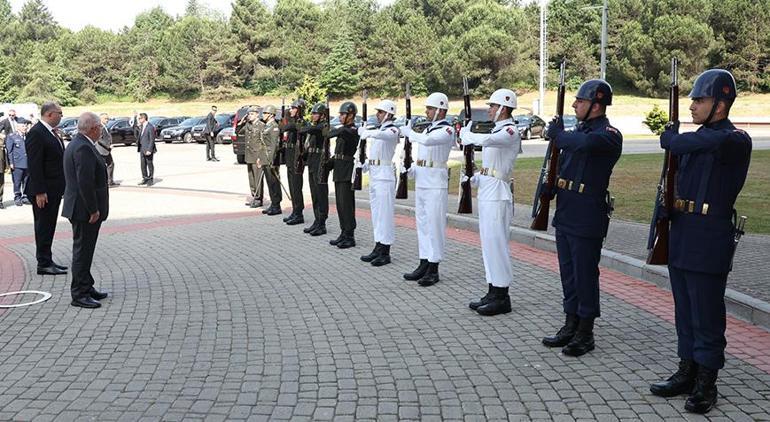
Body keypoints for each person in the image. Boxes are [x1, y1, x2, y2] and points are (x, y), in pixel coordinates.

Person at [649, 69, 751, 415]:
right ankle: (686, 370)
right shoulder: (695, 138)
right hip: (682, 231)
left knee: (706, 313)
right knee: (685, 311)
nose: (692, 106)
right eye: (691, 99)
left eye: (700, 100)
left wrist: (673, 139)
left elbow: (705, 142)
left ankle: (707, 382)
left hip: (709, 235)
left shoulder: (734, 139)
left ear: (721, 105)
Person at [541, 79, 622, 356]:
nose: (575, 104)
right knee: (569, 272)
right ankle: (570, 323)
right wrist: (549, 185)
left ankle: (585, 331)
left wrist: (558, 136)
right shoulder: (577, 131)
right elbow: (564, 161)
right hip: (567, 208)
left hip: (588, 211)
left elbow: (585, 144)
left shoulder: (608, 135)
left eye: (580, 101)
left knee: (585, 273)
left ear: (596, 105)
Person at [459, 89, 521, 315]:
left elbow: (487, 139)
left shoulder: (510, 131)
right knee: (488, 244)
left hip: (498, 194)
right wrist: (475, 177)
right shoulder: (497, 128)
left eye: (493, 107)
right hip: (487, 190)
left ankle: (502, 296)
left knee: (497, 244)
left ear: (503, 108)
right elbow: (490, 165)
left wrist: (467, 134)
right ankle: (493, 289)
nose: (489, 110)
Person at [400, 92, 455, 286]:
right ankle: (424, 261)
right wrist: (410, 169)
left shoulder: (446, 130)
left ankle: (434, 267)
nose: (426, 111)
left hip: (435, 183)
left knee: (434, 226)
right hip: (423, 181)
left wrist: (410, 133)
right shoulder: (427, 129)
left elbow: (428, 142)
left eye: (430, 108)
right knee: (422, 224)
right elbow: (422, 154)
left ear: (441, 110)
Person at [62, 112, 110, 309]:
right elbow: (85, 182)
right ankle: (79, 294)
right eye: (99, 126)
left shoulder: (79, 143)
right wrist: (93, 209)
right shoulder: (83, 147)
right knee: (82, 251)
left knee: (86, 250)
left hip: (81, 207)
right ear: (93, 128)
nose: (100, 130)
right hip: (84, 210)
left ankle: (87, 286)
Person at [25, 101, 68, 275]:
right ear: (50, 114)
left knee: (49, 225)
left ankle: (47, 259)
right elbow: (34, 165)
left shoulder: (50, 132)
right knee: (43, 226)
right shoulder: (37, 133)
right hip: (44, 191)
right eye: (60, 113)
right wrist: (39, 191)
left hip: (53, 189)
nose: (61, 116)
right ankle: (43, 263)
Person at [357, 100, 399, 266]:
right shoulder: (380, 130)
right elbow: (376, 155)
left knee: (385, 216)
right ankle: (378, 246)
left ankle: (385, 251)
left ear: (388, 114)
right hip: (375, 175)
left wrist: (368, 132)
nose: (378, 114)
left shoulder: (392, 129)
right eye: (378, 112)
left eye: (381, 112)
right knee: (376, 215)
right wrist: (365, 164)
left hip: (385, 177)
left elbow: (386, 135)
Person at [325, 102, 360, 249]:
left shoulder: (352, 130)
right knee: (340, 204)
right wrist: (330, 163)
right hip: (339, 169)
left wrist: (328, 131)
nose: (340, 117)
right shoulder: (344, 129)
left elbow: (342, 133)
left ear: (351, 115)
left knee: (347, 204)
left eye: (342, 114)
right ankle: (343, 232)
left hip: (346, 170)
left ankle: (350, 235)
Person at [299, 103, 330, 236]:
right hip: (312, 161)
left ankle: (322, 223)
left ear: (323, 115)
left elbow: (312, 130)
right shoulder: (314, 127)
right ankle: (317, 220)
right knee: (314, 193)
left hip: (320, 162)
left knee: (321, 192)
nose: (313, 115)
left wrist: (300, 127)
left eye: (315, 113)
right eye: (312, 113)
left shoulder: (323, 126)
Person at [280, 100, 306, 225]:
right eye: (290, 108)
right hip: (290, 159)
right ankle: (295, 211)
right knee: (292, 187)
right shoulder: (293, 121)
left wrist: (285, 118)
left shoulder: (300, 123)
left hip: (297, 160)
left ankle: (299, 213)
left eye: (293, 108)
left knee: (296, 187)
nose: (291, 110)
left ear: (300, 110)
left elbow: (285, 127)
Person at [260, 105, 283, 216]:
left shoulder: (274, 127)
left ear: (271, 115)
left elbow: (274, 145)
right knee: (269, 182)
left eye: (265, 113)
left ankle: (276, 205)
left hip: (271, 158)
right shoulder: (266, 126)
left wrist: (271, 160)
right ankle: (273, 204)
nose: (263, 115)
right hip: (265, 157)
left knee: (274, 182)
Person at [241, 107, 265, 208]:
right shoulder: (247, 125)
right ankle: (254, 196)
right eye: (248, 114)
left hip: (257, 156)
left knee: (257, 177)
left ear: (257, 115)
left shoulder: (261, 125)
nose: (249, 116)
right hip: (249, 155)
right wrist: (241, 122)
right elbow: (238, 131)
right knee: (251, 177)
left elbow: (263, 143)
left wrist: (261, 157)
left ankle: (259, 198)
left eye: (251, 114)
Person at [5, 122, 30, 206]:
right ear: (18, 127)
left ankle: (25, 196)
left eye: (25, 126)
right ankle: (17, 197)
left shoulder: (28, 136)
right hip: (17, 163)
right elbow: (9, 151)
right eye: (23, 126)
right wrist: (11, 163)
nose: (25, 127)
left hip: (27, 163)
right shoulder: (12, 137)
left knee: (26, 180)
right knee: (17, 181)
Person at [96, 113, 119, 187]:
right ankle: (103, 182)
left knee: (111, 164)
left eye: (108, 118)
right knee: (102, 167)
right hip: (102, 150)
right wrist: (108, 146)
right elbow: (99, 139)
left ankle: (110, 181)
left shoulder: (105, 127)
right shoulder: (100, 127)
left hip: (107, 150)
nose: (107, 120)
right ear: (101, 119)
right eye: (105, 118)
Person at [137, 113, 156, 186]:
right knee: (143, 164)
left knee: (149, 164)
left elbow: (152, 139)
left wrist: (149, 150)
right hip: (142, 148)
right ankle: (145, 178)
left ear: (143, 118)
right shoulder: (141, 126)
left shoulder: (150, 127)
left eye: (139, 118)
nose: (139, 120)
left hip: (148, 149)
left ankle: (150, 179)